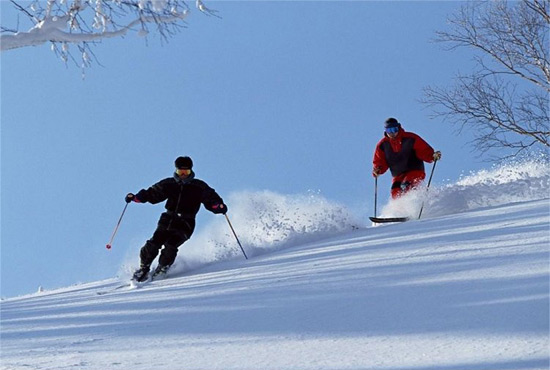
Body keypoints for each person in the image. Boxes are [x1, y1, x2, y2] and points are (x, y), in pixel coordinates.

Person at [125, 156, 227, 282]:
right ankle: (144, 267)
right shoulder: (169, 184)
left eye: (186, 172)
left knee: (171, 245)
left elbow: (211, 200)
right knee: (154, 242)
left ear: (191, 171)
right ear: (176, 171)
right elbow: (153, 194)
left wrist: (218, 206)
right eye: (180, 172)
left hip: (186, 222)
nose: (183, 175)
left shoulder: (199, 187)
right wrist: (136, 198)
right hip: (168, 218)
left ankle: (163, 267)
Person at [372, 118, 441, 199]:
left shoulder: (410, 138)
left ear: (399, 127)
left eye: (394, 129)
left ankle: (419, 202)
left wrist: (432, 156)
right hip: (398, 175)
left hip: (414, 170)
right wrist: (378, 169)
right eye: (389, 130)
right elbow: (380, 161)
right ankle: (401, 210)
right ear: (385, 131)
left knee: (407, 186)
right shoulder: (382, 145)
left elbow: (423, 150)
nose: (392, 133)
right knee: (395, 192)